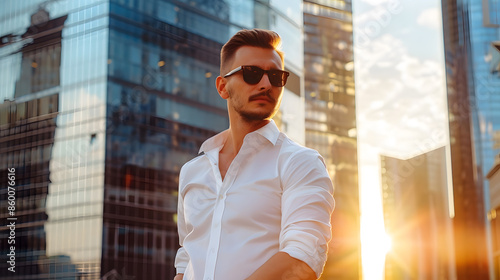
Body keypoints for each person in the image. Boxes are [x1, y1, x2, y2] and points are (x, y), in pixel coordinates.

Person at [174, 29, 335, 280]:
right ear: (222, 86)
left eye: (275, 76)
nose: (265, 84)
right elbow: (187, 256)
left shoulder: (300, 162)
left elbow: (303, 256)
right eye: (252, 73)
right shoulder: (192, 171)